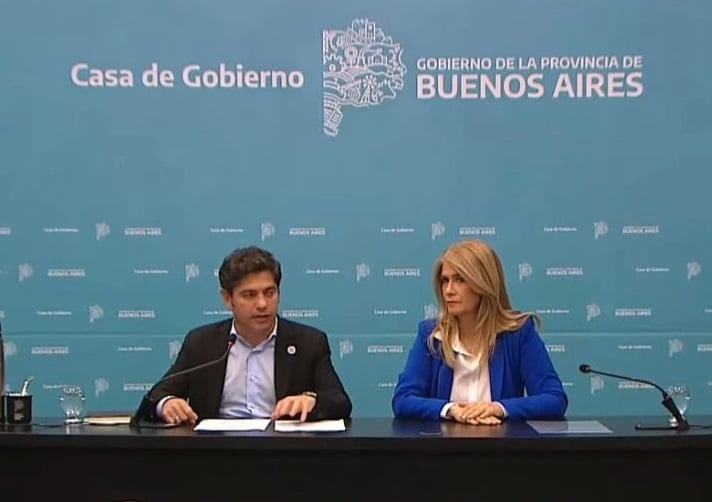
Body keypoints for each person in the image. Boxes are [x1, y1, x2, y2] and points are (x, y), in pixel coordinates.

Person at [146, 245, 352, 425]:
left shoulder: (309, 342)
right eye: (250, 295)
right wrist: (167, 403)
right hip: (216, 450)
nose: (262, 304)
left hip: (283, 449)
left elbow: (339, 401)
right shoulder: (202, 343)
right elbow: (157, 395)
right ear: (228, 299)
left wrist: (311, 399)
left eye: (269, 293)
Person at [392, 239, 567, 424]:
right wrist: (450, 409)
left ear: (484, 283)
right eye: (445, 281)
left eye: (460, 280)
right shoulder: (431, 335)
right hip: (444, 441)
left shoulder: (518, 333)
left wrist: (498, 408)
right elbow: (403, 399)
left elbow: (554, 399)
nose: (448, 290)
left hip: (501, 440)